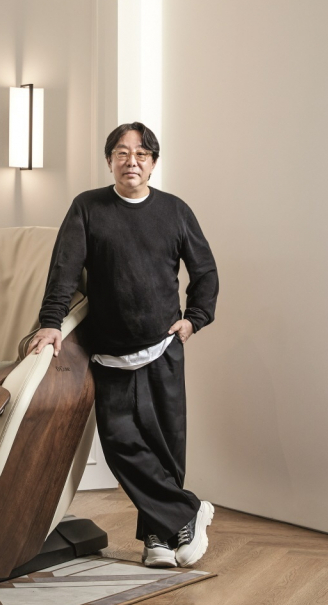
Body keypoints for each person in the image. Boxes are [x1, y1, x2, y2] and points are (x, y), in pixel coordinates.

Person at [27, 122, 219, 569]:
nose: (131, 161)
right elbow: (64, 270)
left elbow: (205, 271)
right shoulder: (88, 207)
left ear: (153, 163)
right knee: (120, 445)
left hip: (162, 349)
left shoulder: (175, 211)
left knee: (165, 447)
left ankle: (158, 537)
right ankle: (188, 511)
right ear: (110, 160)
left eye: (141, 154)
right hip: (108, 354)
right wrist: (51, 323)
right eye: (122, 153)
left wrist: (194, 319)